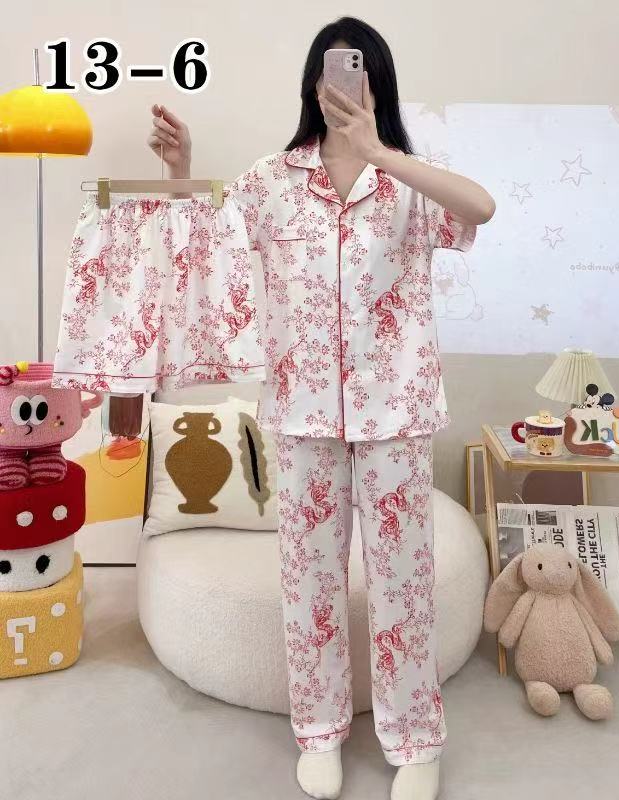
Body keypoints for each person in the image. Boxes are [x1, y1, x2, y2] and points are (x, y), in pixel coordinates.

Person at [148, 16, 494, 800]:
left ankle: (415, 739)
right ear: (314, 83)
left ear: (379, 84)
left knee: (403, 581)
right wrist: (183, 168)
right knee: (310, 581)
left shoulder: (408, 182)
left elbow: (481, 209)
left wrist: (382, 153)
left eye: (361, 69)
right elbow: (203, 242)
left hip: (395, 413)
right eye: (335, 69)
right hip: (302, 413)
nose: (346, 82)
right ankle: (319, 730)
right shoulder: (274, 181)